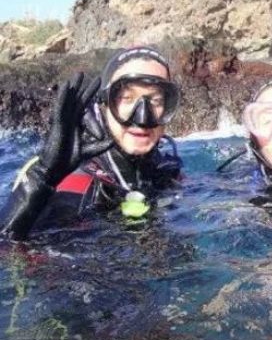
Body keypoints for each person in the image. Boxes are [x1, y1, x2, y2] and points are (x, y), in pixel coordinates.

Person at [0, 46, 182, 239]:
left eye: (156, 100)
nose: (143, 117)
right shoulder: (73, 185)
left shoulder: (165, 171)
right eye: (126, 98)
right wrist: (44, 177)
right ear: (104, 105)